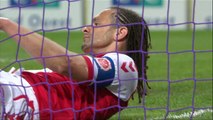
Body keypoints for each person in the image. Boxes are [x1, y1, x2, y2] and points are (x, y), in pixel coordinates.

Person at [0, 7, 151, 119]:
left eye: (96, 24)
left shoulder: (125, 66)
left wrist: (5, 24)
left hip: (19, 99)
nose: (85, 29)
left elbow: (65, 64)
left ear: (119, 32)